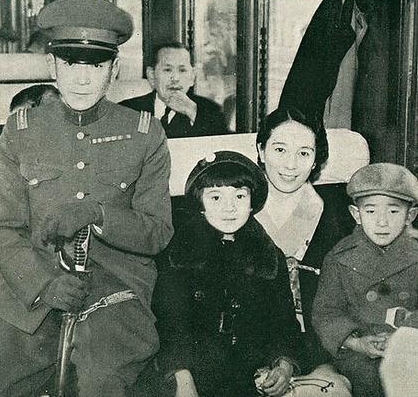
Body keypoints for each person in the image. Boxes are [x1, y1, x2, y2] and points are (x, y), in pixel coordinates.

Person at [0, 0, 173, 397]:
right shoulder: (21, 131)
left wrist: (100, 214)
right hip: (27, 282)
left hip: (115, 287)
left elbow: (157, 232)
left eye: (96, 65)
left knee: (103, 384)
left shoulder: (145, 133)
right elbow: (0, 226)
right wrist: (44, 284)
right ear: (52, 67)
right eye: (70, 64)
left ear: (114, 69)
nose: (82, 79)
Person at [138, 151, 301, 397]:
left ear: (252, 201)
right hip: (189, 370)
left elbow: (283, 321)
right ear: (200, 204)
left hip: (247, 372)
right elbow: (169, 323)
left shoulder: (267, 255)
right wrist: (181, 377)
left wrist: (284, 364)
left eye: (239, 196)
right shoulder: (179, 254)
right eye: (216, 197)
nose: (229, 207)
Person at [254, 107, 353, 395]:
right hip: (252, 346)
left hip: (317, 349)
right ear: (261, 151)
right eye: (280, 149)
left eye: (304, 153)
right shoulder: (236, 210)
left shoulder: (337, 218)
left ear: (315, 161)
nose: (290, 165)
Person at [312, 163, 418, 397]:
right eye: (370, 211)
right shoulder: (339, 257)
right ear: (355, 214)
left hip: (411, 347)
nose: (382, 222)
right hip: (357, 351)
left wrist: (404, 337)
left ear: (410, 215)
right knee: (366, 379)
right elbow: (326, 313)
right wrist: (356, 342)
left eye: (393, 211)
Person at [119, 41, 228, 138]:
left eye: (182, 70)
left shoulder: (211, 111)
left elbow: (220, 149)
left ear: (192, 77)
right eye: (167, 70)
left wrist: (192, 112)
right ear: (151, 75)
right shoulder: (127, 110)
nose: (175, 78)